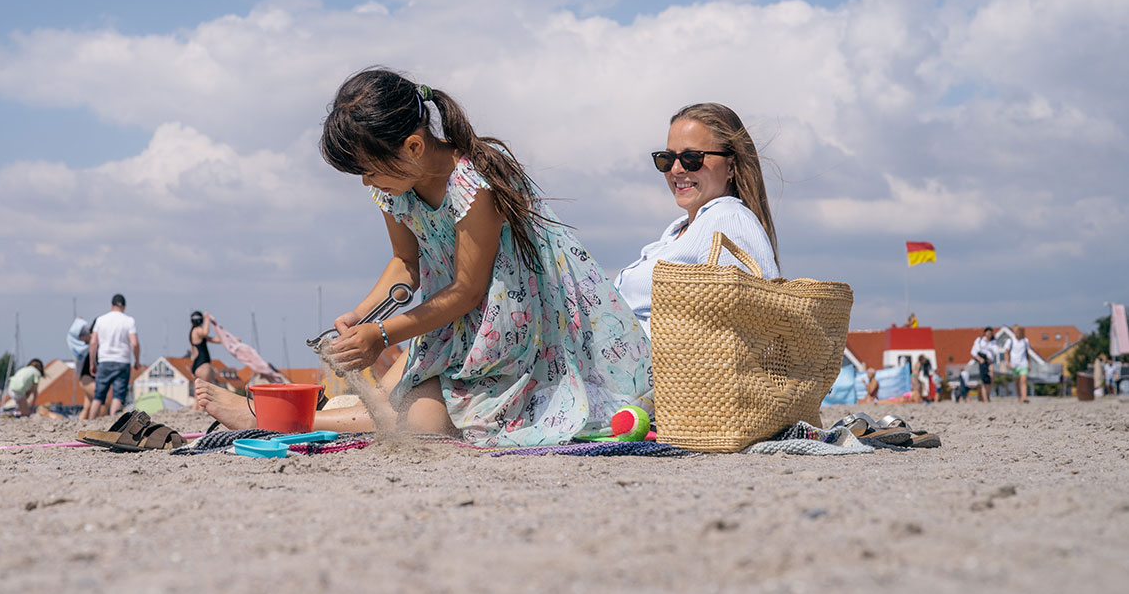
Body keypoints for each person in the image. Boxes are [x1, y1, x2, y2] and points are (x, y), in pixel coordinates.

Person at [197, 68, 649, 446]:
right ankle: (286, 412)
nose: (366, 183)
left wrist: (383, 335)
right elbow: (405, 265)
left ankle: (275, 419)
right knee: (395, 398)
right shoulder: (396, 190)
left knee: (422, 421)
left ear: (413, 147)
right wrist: (363, 316)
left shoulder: (474, 187)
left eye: (370, 170)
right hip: (452, 326)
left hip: (513, 333)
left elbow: (469, 290)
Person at [614, 103, 781, 347]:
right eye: (666, 159)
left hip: (669, 377)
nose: (676, 169)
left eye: (692, 158)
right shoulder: (679, 230)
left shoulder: (728, 220)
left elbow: (743, 328)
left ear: (731, 166)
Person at [89, 294, 140, 418]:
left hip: (104, 360)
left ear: (112, 305)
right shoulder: (129, 320)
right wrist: (137, 361)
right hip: (122, 361)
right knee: (118, 396)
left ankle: (89, 423)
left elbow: (93, 342)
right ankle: (114, 423)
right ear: (124, 306)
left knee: (98, 396)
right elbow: (134, 343)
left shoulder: (101, 320)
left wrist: (92, 363)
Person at [188, 311, 221, 391]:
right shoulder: (197, 330)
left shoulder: (195, 332)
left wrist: (231, 341)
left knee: (198, 398)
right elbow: (205, 333)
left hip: (197, 366)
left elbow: (214, 340)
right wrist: (207, 319)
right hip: (203, 365)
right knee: (206, 392)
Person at [1005, 325, 1031, 403]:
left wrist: (1029, 363)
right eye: (1016, 331)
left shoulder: (1025, 341)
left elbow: (1027, 353)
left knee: (1023, 381)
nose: (1017, 333)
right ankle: (1019, 397)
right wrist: (1008, 362)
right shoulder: (1010, 341)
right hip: (1014, 364)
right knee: (1017, 382)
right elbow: (1006, 352)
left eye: (1019, 331)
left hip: (1023, 363)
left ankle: (1024, 398)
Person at [970, 328, 997, 402]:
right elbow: (973, 351)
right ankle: (985, 399)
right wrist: (979, 359)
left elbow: (995, 352)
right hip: (982, 362)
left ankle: (988, 395)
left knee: (990, 379)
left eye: (990, 333)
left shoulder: (993, 342)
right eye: (988, 333)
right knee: (984, 380)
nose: (989, 335)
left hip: (990, 362)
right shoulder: (979, 340)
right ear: (985, 333)